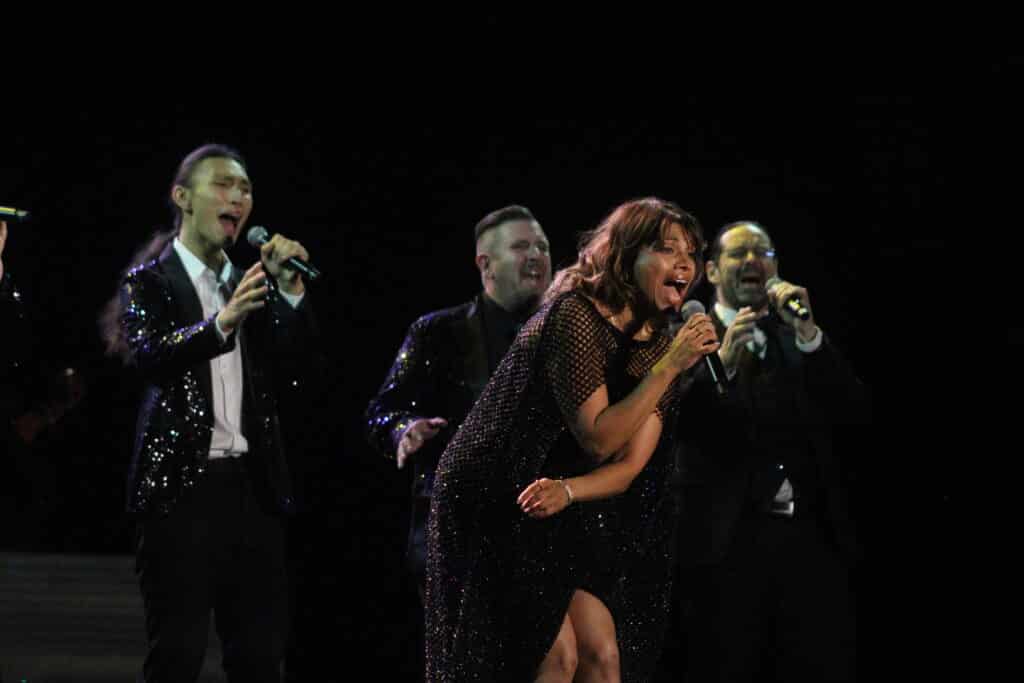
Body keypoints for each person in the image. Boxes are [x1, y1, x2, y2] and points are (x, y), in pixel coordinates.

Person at [426, 197, 719, 682]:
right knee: (554, 655)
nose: (685, 264)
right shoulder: (576, 314)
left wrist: (567, 490)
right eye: (668, 250)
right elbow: (599, 438)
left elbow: (627, 466)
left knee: (602, 653)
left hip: (555, 501)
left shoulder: (662, 346)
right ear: (627, 256)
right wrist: (670, 366)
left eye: (691, 253)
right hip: (496, 495)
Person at [102, 143, 319, 682]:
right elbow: (151, 357)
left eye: (245, 188)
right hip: (180, 491)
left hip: (253, 490)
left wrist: (290, 293)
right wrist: (222, 322)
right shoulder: (149, 281)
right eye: (223, 184)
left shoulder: (252, 282)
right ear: (183, 197)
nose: (238, 197)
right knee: (177, 654)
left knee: (260, 658)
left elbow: (297, 372)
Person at [672, 220, 867, 683]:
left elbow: (854, 412)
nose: (753, 262)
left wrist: (810, 333)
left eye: (764, 253)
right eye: (739, 254)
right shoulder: (684, 337)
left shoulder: (794, 336)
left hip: (806, 544)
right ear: (712, 271)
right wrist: (723, 367)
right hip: (723, 548)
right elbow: (674, 425)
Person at [365, 204, 552, 596]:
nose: (536, 255)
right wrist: (404, 429)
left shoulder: (566, 334)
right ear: (486, 265)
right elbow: (383, 410)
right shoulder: (437, 332)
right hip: (460, 544)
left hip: (548, 538)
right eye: (521, 247)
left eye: (542, 246)